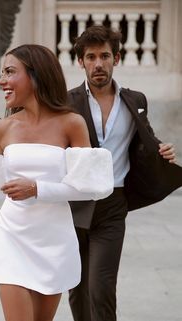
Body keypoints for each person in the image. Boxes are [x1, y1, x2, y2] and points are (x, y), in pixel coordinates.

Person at [0, 44, 114, 321]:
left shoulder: (72, 124)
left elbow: (88, 187)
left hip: (54, 239)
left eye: (10, 72)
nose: (2, 80)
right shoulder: (2, 128)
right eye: (2, 73)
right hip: (12, 235)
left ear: (37, 75)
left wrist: (38, 189)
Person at [67, 25, 182, 321]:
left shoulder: (136, 100)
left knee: (101, 288)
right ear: (81, 61)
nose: (98, 64)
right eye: (90, 57)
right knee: (77, 287)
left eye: (104, 56)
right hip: (73, 206)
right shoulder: (67, 102)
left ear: (116, 58)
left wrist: (161, 150)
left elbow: (146, 138)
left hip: (113, 204)